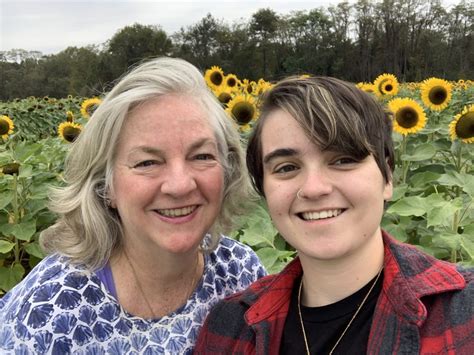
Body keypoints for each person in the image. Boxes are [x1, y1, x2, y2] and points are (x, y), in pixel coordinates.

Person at [0, 57, 266, 354]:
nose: (180, 185)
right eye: (147, 162)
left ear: (227, 169)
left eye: (201, 156)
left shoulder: (240, 271)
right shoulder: (50, 311)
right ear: (106, 186)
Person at [194, 76, 474, 354]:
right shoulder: (229, 329)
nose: (314, 189)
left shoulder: (463, 314)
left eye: (343, 160)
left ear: (387, 176)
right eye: (286, 167)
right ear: (265, 189)